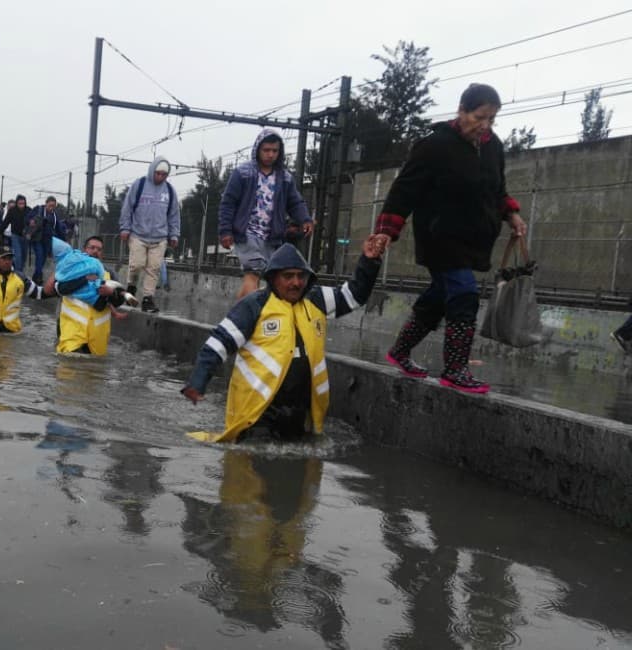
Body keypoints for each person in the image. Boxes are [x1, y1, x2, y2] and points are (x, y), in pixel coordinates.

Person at [373, 83, 527, 394]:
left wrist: (511, 214)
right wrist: (387, 231)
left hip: (473, 239)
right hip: (439, 235)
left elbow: (497, 190)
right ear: (462, 111)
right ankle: (455, 369)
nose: (484, 125)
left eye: (491, 119)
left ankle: (400, 352)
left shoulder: (493, 147)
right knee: (463, 292)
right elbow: (404, 190)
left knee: (440, 297)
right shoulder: (435, 146)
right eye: (479, 117)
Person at [181, 236, 386, 443]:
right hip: (258, 414)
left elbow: (354, 296)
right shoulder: (254, 305)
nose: (296, 283)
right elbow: (217, 345)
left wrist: (369, 262)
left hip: (300, 412)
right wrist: (197, 383)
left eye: (300, 276)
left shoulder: (316, 300)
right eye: (288, 276)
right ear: (273, 278)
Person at [219, 128, 313, 300]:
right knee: (253, 273)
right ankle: (244, 320)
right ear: (258, 150)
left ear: (280, 151)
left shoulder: (284, 178)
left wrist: (305, 219)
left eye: (275, 151)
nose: (270, 155)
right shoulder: (243, 173)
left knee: (272, 280)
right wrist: (225, 231)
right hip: (247, 234)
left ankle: (242, 315)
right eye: (266, 150)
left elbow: (295, 202)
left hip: (272, 237)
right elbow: (228, 202)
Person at [55, 235, 138, 355]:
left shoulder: (109, 273)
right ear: (84, 250)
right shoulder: (70, 268)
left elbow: (118, 301)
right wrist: (85, 279)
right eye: (92, 248)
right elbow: (60, 289)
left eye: (99, 249)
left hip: (96, 335)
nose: (95, 251)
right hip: (72, 330)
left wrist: (111, 293)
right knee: (68, 367)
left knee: (92, 368)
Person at [119, 156, 181, 313]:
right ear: (152, 171)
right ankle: (131, 287)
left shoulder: (169, 191)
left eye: (164, 175)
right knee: (137, 264)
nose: (160, 177)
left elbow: (174, 214)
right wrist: (125, 228)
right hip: (138, 234)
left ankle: (148, 299)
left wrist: (174, 234)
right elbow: (127, 207)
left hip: (160, 237)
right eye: (158, 173)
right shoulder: (139, 185)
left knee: (153, 269)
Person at [30, 196, 68, 284]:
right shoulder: (38, 209)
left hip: (47, 240)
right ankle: (39, 277)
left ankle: (36, 276)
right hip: (37, 238)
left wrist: (64, 239)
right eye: (50, 205)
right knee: (39, 256)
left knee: (43, 259)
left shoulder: (54, 215)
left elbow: (58, 228)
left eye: (53, 206)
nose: (51, 208)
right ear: (46, 203)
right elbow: (28, 217)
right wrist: (30, 221)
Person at [0, 195, 32, 273]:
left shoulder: (29, 210)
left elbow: (33, 224)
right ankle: (17, 273)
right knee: (17, 256)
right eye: (20, 203)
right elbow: (5, 223)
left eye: (23, 203)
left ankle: (20, 272)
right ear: (17, 203)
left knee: (23, 257)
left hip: (25, 237)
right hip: (15, 236)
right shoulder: (12, 211)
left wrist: (30, 232)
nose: (21, 205)